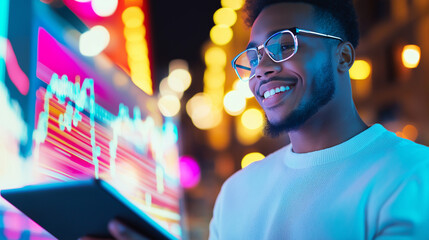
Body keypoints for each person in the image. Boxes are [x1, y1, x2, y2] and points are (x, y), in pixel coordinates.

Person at [209, 0, 429, 239]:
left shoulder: (412, 175)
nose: (260, 69)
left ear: (343, 56)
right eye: (253, 59)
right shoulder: (235, 194)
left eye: (283, 46)